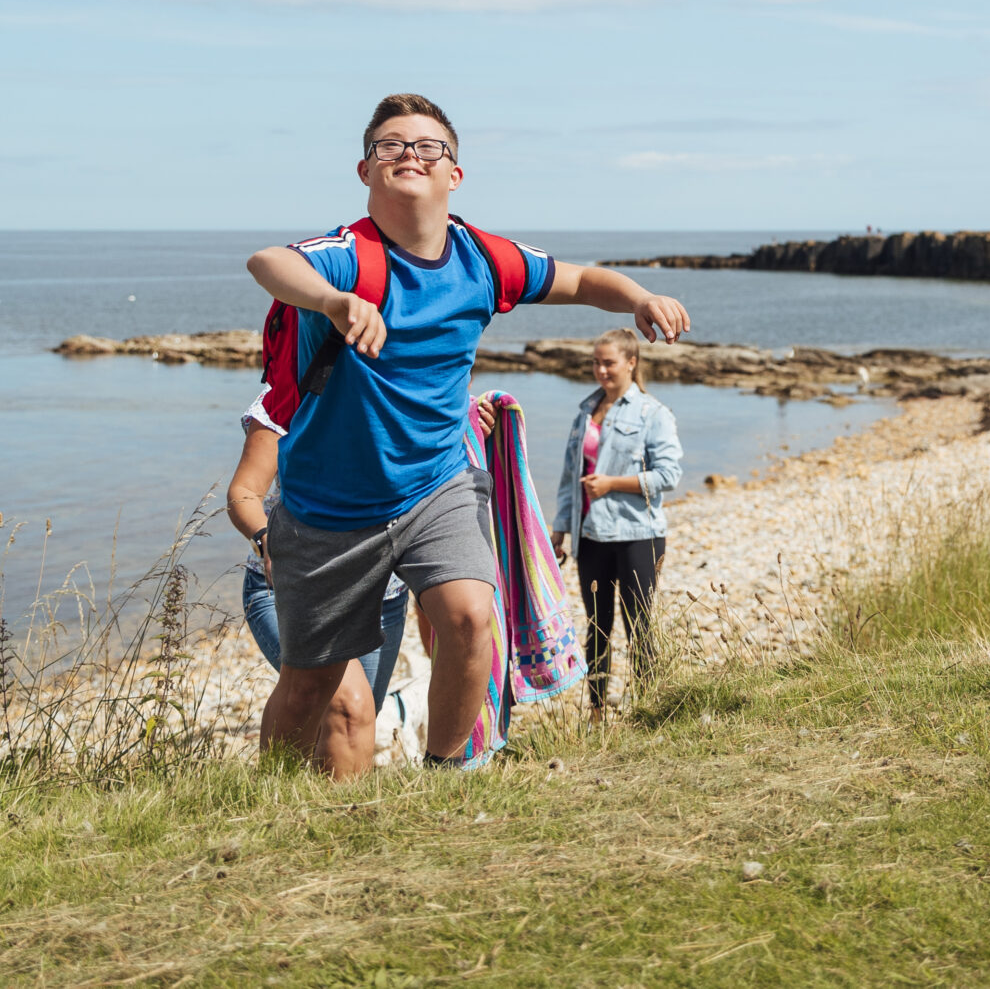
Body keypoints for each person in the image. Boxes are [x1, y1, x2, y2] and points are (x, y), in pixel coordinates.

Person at [243, 92, 689, 776]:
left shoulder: (483, 258)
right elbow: (269, 261)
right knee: (311, 688)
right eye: (391, 145)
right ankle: (268, 798)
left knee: (472, 617)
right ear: (365, 170)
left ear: (455, 173)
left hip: (438, 483)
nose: (409, 155)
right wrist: (335, 300)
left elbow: (576, 278)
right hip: (330, 508)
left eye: (428, 146)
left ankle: (448, 774)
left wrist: (635, 297)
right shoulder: (345, 255)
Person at [226, 413, 409, 768]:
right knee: (347, 707)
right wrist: (268, 541)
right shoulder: (284, 398)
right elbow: (243, 492)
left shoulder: (398, 391)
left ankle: (321, 812)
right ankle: (282, 809)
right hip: (291, 587)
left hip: (382, 595)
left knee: (356, 718)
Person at [550, 328, 683, 722]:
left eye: (608, 362)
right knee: (597, 628)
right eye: (595, 362)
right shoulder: (584, 412)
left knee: (639, 626)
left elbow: (669, 475)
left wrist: (613, 485)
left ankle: (649, 709)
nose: (601, 370)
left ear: (631, 362)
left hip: (637, 535)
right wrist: (560, 528)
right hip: (589, 535)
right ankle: (596, 712)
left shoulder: (652, 414)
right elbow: (568, 477)